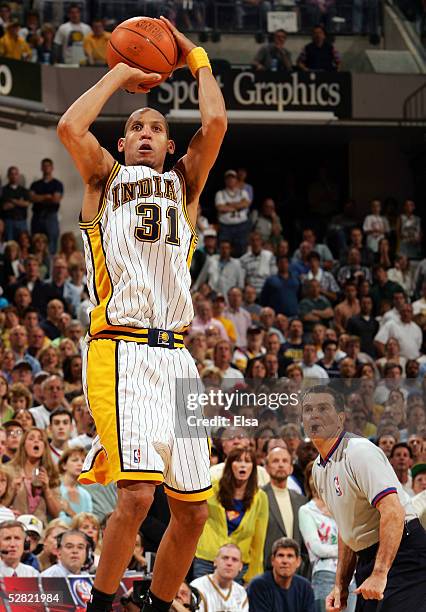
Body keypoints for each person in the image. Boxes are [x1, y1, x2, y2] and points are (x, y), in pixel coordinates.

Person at [57, 18, 227, 612]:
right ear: (124, 144)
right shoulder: (105, 179)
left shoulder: (184, 186)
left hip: (175, 356)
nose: (148, 132)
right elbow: (69, 126)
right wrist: (119, 74)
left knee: (193, 509)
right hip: (121, 347)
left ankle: (156, 606)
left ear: (169, 145)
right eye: (137, 127)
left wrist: (195, 56)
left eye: (157, 126)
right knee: (134, 498)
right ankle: (100, 606)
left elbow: (215, 123)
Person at [301, 385, 426, 612]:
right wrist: (340, 584)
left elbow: (393, 511)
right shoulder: (318, 470)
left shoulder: (359, 451)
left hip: (402, 554)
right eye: (308, 410)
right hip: (368, 558)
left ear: (340, 419)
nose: (314, 415)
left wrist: (380, 573)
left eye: (322, 408)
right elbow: (347, 529)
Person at [194, 447, 268, 583]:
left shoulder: (260, 497)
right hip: (207, 560)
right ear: (229, 465)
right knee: (203, 603)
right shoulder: (211, 487)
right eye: (238, 461)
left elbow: (259, 539)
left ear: (253, 467)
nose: (243, 465)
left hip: (238, 564)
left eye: (247, 461)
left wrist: (254, 575)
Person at [262, 447, 307, 571]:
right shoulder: (258, 497)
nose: (281, 465)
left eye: (285, 461)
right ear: (266, 467)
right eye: (275, 461)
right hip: (266, 570)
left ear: (291, 468)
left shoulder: (301, 500)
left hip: (296, 572)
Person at [247, 537, 315, 611]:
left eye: (290, 556)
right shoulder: (258, 585)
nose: (285, 561)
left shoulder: (305, 587)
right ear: (272, 560)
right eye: (280, 555)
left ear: (298, 561)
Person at [191, 543, 249, 611]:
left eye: (234, 560)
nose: (229, 563)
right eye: (225, 558)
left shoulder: (241, 592)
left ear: (240, 566)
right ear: (215, 561)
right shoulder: (197, 587)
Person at [29, 158, 64, 254]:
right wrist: (47, 196)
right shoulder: (35, 184)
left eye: (48, 166)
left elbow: (56, 200)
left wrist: (39, 197)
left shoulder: (57, 184)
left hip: (51, 217)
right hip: (37, 216)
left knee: (52, 244)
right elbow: (32, 198)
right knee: (35, 243)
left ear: (52, 168)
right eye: (44, 166)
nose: (46, 168)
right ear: (41, 168)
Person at [215, 170, 250, 257]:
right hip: (225, 226)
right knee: (224, 248)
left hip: (241, 226)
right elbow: (220, 208)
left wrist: (229, 205)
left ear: (236, 180)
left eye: (233, 178)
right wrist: (238, 205)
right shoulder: (220, 193)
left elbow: (246, 203)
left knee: (241, 249)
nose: (230, 180)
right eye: (228, 178)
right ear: (225, 181)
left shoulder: (243, 192)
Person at [0, 166, 30, 241]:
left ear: (18, 176)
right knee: (9, 244)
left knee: (23, 243)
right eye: (11, 174)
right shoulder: (3, 190)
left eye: (16, 174)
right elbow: (4, 207)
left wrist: (12, 201)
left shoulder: (24, 190)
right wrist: (19, 202)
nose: (14, 176)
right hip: (8, 222)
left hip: (22, 221)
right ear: (8, 176)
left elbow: (26, 204)